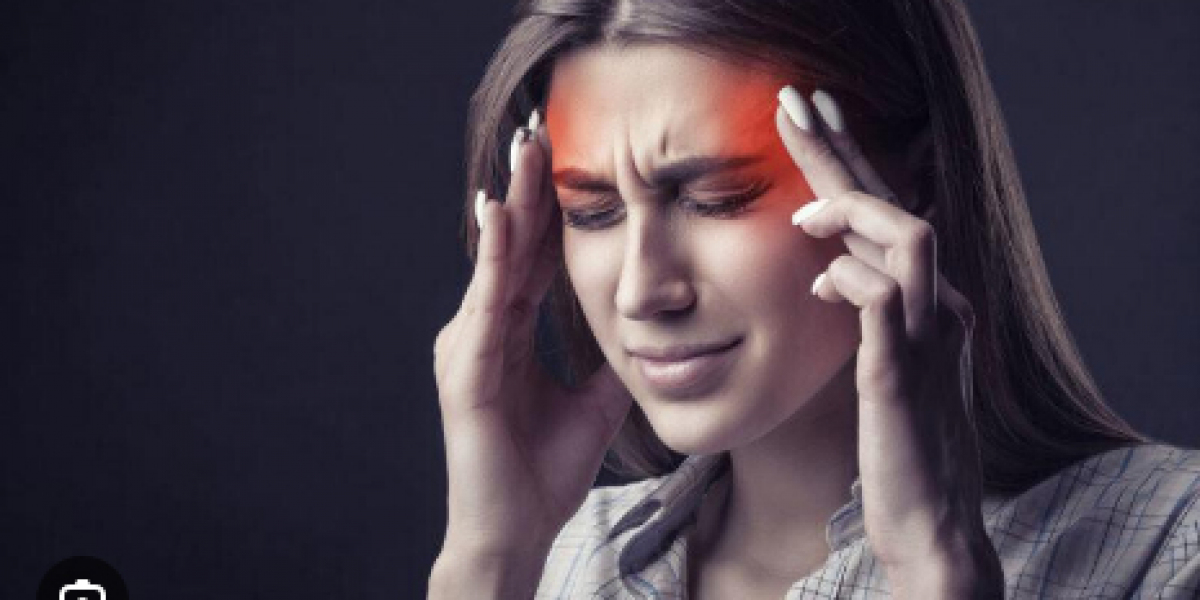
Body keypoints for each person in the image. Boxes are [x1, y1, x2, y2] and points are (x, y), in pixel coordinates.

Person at [429, 0, 1200, 598]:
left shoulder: (1171, 548)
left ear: (915, 179)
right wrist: (489, 559)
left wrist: (936, 560)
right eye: (592, 212)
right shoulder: (556, 566)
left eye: (719, 197)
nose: (641, 291)